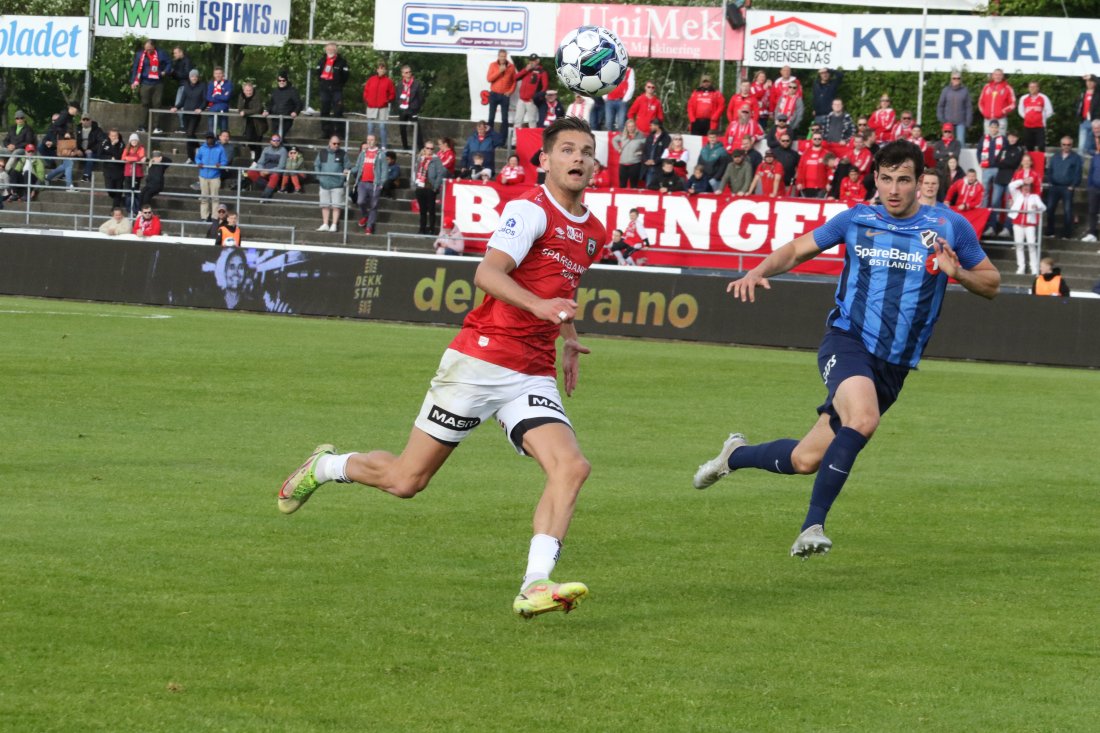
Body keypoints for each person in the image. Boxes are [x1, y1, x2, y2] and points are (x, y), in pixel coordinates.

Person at [276, 117, 604, 620]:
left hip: (532, 370)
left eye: (586, 151)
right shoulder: (529, 211)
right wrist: (539, 308)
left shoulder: (594, 231)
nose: (578, 158)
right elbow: (487, 273)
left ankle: (535, 583)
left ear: (596, 163)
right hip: (481, 359)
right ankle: (324, 466)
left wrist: (567, 338)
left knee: (572, 466)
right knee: (407, 480)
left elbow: (561, 290)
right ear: (545, 160)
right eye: (567, 150)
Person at [695, 140, 1000, 558]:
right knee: (864, 418)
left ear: (920, 183)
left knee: (805, 459)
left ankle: (735, 455)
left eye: (904, 180)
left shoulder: (950, 228)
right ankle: (811, 527)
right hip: (847, 340)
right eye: (887, 179)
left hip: (893, 367)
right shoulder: (857, 219)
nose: (894, 189)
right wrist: (759, 270)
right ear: (876, 178)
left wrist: (958, 272)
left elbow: (992, 284)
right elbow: (797, 249)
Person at [130, 39, 171, 133]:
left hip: (158, 82)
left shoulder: (161, 53)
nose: (147, 51)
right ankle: (142, 126)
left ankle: (157, 127)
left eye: (149, 49)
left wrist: (165, 71)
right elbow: (135, 68)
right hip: (145, 82)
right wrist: (133, 81)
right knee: (144, 104)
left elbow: (169, 63)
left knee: (157, 104)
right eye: (146, 49)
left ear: (153, 46)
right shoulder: (140, 54)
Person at [1045, 137, 1082, 238]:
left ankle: (1066, 233)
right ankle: (1050, 231)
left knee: (1067, 211)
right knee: (1050, 209)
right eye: (1064, 144)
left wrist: (1073, 185)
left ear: (1072, 145)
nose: (1066, 146)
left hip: (1067, 188)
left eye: (1068, 144)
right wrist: (1050, 181)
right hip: (1055, 186)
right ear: (1061, 145)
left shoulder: (1076, 158)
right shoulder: (1055, 156)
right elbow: (1049, 170)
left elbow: (1078, 173)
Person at [1006, 178, 1046, 274]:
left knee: (1031, 245)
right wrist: (1023, 181)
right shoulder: (1017, 195)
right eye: (1024, 186)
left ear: (1030, 188)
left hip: (1029, 224)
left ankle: (1034, 268)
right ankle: (1021, 267)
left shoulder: (1035, 197)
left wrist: (1037, 207)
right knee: (1019, 246)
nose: (1026, 188)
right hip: (1017, 223)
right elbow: (1011, 185)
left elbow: (1043, 207)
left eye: (1027, 186)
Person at [314, 135, 350, 232]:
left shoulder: (343, 154)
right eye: (334, 143)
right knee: (324, 205)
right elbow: (317, 165)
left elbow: (347, 166)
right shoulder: (322, 153)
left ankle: (334, 224)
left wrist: (343, 177)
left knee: (336, 206)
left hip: (337, 184)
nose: (336, 145)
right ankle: (325, 223)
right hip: (324, 184)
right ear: (329, 143)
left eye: (338, 144)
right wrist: (319, 177)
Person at [353, 135, 388, 234]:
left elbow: (384, 170)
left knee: (373, 205)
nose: (370, 142)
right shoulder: (363, 153)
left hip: (374, 183)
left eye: (372, 140)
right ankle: (365, 215)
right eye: (368, 140)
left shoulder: (380, 154)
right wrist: (350, 171)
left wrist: (381, 183)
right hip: (363, 182)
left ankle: (369, 226)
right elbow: (357, 166)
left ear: (376, 141)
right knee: (360, 201)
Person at [316, 43, 350, 138]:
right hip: (325, 89)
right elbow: (318, 74)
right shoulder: (322, 61)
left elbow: (345, 76)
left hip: (336, 90)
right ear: (325, 49)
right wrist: (324, 83)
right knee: (324, 110)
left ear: (336, 50)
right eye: (329, 49)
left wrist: (338, 84)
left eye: (332, 49)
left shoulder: (342, 61)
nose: (330, 50)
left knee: (338, 110)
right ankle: (326, 132)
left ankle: (338, 133)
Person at [172, 68, 206, 162]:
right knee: (189, 135)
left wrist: (201, 108)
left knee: (190, 133)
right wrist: (176, 107)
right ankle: (197, 149)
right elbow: (182, 101)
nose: (194, 78)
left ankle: (191, 157)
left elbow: (204, 100)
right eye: (192, 76)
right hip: (186, 114)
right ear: (189, 77)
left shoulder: (202, 86)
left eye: (195, 76)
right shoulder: (186, 86)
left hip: (195, 114)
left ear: (198, 77)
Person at [414, 141, 445, 234]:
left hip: (430, 187)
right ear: (424, 148)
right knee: (422, 210)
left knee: (431, 209)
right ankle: (422, 228)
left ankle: (431, 228)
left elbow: (440, 174)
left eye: (431, 148)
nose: (429, 150)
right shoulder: (420, 158)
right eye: (428, 148)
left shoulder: (436, 160)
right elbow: (416, 171)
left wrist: (435, 187)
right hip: (420, 186)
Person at [363, 61, 396, 148]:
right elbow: (366, 91)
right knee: (370, 127)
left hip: (383, 108)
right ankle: (370, 146)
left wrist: (387, 100)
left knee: (382, 127)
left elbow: (392, 93)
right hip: (371, 107)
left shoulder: (388, 81)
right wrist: (367, 100)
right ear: (377, 70)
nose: (381, 70)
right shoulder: (371, 79)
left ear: (385, 71)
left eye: (383, 69)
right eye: (380, 69)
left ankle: (383, 146)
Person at [195, 132, 226, 220]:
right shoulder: (202, 148)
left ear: (214, 139)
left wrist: (220, 164)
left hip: (215, 176)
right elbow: (197, 158)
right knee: (204, 197)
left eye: (211, 138)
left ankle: (215, 216)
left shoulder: (220, 148)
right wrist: (199, 163)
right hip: (203, 175)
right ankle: (204, 216)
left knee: (215, 197)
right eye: (208, 138)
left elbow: (224, 160)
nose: (209, 140)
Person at [977, 120, 1006, 213]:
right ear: (989, 128)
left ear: (998, 128)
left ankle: (994, 219)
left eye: (995, 127)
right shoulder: (984, 138)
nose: (993, 129)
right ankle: (982, 215)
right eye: (992, 127)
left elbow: (1005, 153)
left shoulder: (1003, 139)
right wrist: (980, 163)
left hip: (998, 169)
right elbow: (979, 151)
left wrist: (1002, 166)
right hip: (986, 168)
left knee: (996, 195)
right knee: (984, 193)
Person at [264, 70, 303, 139]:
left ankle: (292, 149)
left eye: (283, 80)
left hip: (286, 119)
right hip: (275, 119)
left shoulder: (292, 91)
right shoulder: (275, 91)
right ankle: (291, 149)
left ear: (286, 81)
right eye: (279, 80)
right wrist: (267, 110)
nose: (281, 82)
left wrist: (295, 112)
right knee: (275, 138)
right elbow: (270, 104)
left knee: (277, 138)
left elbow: (299, 104)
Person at [937, 72, 973, 145]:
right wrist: (942, 119)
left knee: (960, 143)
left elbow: (968, 107)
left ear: (960, 80)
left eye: (958, 78)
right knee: (947, 143)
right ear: (951, 79)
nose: (956, 80)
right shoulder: (945, 90)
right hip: (948, 122)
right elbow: (940, 106)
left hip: (961, 122)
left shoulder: (965, 90)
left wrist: (968, 122)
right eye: (954, 78)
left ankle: (961, 157)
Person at [247, 133, 287, 199]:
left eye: (278, 140)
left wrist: (268, 171)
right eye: (274, 140)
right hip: (264, 170)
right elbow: (260, 162)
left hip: (274, 171)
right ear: (270, 141)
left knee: (275, 176)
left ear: (280, 141)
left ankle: (265, 196)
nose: (276, 142)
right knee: (250, 172)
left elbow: (281, 166)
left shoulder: (283, 151)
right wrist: (261, 170)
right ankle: (273, 187)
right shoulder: (266, 149)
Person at [487, 50, 517, 135]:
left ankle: (503, 139)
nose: (503, 58)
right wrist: (499, 71)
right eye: (501, 56)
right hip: (494, 94)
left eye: (504, 56)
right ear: (498, 56)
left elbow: (514, 81)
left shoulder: (511, 66)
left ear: (506, 56)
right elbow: (489, 79)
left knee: (504, 118)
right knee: (491, 117)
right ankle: (489, 137)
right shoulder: (493, 65)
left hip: (504, 96)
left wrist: (510, 91)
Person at [1018, 81, 1054, 152]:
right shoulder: (1023, 98)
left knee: (1041, 146)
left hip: (1040, 126)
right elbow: (1020, 111)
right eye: (1030, 87)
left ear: (1038, 88)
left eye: (1034, 87)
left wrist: (1041, 118)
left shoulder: (1043, 97)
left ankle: (1041, 162)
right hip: (1027, 126)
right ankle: (1030, 162)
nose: (1032, 88)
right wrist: (1027, 117)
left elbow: (1049, 111)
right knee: (1029, 146)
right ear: (1028, 88)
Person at [979, 68, 1016, 135]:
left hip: (1001, 119)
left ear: (1002, 76)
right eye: (996, 75)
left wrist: (1002, 111)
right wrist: (984, 112)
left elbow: (1013, 104)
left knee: (1000, 141)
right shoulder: (986, 87)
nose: (997, 76)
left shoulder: (1008, 88)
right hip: (988, 119)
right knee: (987, 141)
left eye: (1000, 75)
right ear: (993, 76)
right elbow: (980, 102)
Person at [397, 65, 425, 150]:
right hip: (402, 109)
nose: (408, 74)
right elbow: (397, 97)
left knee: (416, 129)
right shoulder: (400, 84)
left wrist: (416, 108)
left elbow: (421, 97)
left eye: (410, 72)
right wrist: (399, 106)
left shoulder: (416, 83)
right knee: (402, 129)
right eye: (406, 72)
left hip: (413, 109)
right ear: (402, 74)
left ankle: (420, 148)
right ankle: (405, 147)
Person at [612, 118, 645, 188]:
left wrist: (641, 152)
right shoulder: (623, 135)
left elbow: (647, 145)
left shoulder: (640, 135)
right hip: (623, 163)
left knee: (634, 185)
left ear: (635, 126)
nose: (631, 128)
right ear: (626, 127)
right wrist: (618, 148)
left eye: (632, 126)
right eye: (629, 126)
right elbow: (614, 140)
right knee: (622, 185)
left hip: (635, 163)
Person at [795, 132, 829, 197]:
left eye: (819, 139)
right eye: (815, 139)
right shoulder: (805, 153)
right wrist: (799, 182)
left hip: (821, 187)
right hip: (806, 186)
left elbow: (830, 170)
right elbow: (800, 168)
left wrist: (829, 183)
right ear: (812, 140)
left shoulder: (826, 154)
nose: (817, 140)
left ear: (822, 140)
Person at [168, 46, 194, 133]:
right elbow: (178, 76)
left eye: (175, 53)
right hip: (181, 85)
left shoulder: (187, 61)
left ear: (181, 52)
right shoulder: (178, 62)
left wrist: (174, 72)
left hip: (185, 86)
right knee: (178, 105)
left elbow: (186, 75)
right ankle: (183, 125)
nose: (174, 55)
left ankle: (184, 126)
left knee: (179, 105)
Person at [237, 81, 265, 160]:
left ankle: (257, 160)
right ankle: (252, 151)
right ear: (244, 90)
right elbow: (239, 108)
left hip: (258, 122)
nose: (249, 92)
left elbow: (258, 109)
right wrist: (243, 112)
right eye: (247, 90)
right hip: (247, 121)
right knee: (248, 137)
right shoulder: (241, 96)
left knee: (258, 140)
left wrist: (246, 112)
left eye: (250, 90)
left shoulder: (257, 96)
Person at [98, 128, 125, 208]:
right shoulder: (104, 142)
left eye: (115, 136)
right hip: (108, 170)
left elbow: (118, 156)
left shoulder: (121, 144)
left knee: (118, 191)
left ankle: (115, 209)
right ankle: (119, 200)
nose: (114, 137)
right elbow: (99, 155)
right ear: (109, 136)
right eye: (112, 136)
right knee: (110, 190)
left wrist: (113, 146)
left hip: (119, 171)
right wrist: (109, 158)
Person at [1083, 121, 1100, 245]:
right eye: (1094, 128)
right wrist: (1089, 186)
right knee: (1092, 211)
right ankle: (1092, 233)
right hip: (1094, 186)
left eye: (1098, 128)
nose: (1096, 129)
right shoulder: (1095, 157)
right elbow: (1091, 172)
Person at [75, 113, 105, 183]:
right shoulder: (77, 129)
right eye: (84, 119)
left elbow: (101, 142)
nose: (85, 121)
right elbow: (73, 140)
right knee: (69, 154)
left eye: (87, 119)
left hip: (93, 152)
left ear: (91, 120)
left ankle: (86, 176)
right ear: (81, 121)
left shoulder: (97, 130)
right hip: (80, 151)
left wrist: (91, 150)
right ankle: (64, 174)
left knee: (89, 155)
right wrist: (77, 150)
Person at [604, 66, 634, 132]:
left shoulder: (629, 70)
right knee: (608, 123)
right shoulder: (608, 68)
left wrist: (625, 99)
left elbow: (631, 85)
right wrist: (605, 96)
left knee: (621, 124)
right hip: (609, 100)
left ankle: (622, 141)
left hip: (621, 100)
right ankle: (611, 140)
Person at [121, 133, 146, 213]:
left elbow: (140, 158)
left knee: (135, 191)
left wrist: (129, 159)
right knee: (128, 192)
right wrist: (133, 159)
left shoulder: (141, 148)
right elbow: (123, 158)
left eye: (135, 140)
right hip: (128, 173)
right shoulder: (126, 149)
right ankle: (129, 209)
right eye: (132, 140)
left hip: (137, 174)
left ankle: (136, 210)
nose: (134, 142)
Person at [641, 119, 670, 187]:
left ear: (657, 126)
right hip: (648, 168)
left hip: (659, 168)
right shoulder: (650, 137)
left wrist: (655, 161)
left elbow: (666, 153)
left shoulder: (666, 138)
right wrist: (645, 160)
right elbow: (644, 150)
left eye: (651, 125)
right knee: (649, 187)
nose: (650, 127)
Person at [205, 66, 233, 135]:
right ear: (214, 75)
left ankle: (223, 145)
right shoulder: (211, 84)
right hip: (212, 109)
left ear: (223, 74)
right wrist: (222, 97)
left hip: (223, 109)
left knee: (223, 130)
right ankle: (211, 144)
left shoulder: (228, 84)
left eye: (220, 73)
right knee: (211, 130)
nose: (218, 75)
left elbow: (227, 98)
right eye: (216, 73)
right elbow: (208, 97)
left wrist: (216, 95)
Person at [1075, 75, 1100, 152]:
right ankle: (1080, 164)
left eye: (1091, 81)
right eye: (1087, 81)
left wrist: (1091, 76)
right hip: (1084, 122)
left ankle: (1095, 163)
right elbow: (1078, 106)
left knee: (1093, 146)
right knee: (1081, 147)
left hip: (1096, 123)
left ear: (1095, 83)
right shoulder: (1083, 93)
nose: (1089, 83)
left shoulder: (1098, 94)